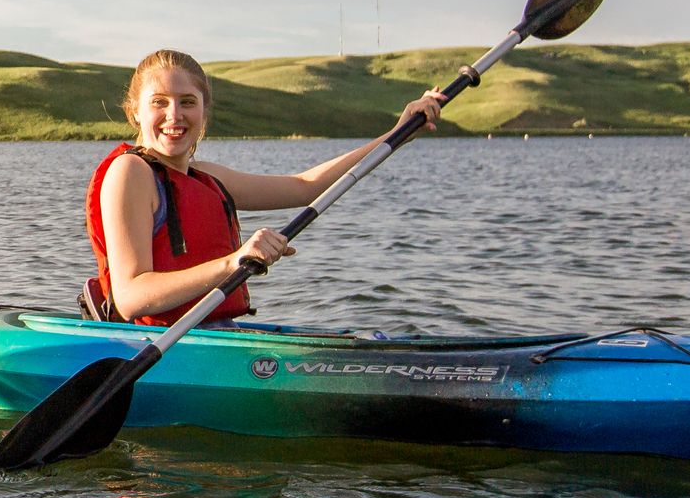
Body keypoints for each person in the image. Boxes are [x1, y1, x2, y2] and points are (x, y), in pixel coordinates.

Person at [83, 49, 444, 326]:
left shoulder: (205, 177)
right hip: (157, 346)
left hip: (215, 335)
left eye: (187, 102)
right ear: (135, 112)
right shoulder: (130, 172)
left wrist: (398, 135)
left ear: (204, 112)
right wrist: (232, 263)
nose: (174, 115)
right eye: (159, 102)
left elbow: (306, 186)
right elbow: (131, 297)